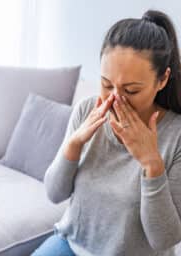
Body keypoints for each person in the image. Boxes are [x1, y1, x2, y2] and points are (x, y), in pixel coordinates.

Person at [31, 9, 181, 256]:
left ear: (163, 79)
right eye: (106, 84)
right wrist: (73, 145)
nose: (115, 99)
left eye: (131, 90)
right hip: (71, 245)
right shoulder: (87, 110)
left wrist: (151, 164)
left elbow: (163, 239)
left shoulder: (175, 136)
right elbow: (54, 194)